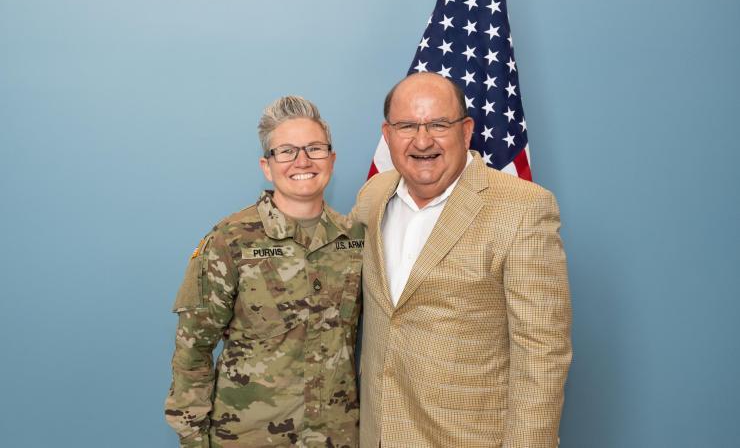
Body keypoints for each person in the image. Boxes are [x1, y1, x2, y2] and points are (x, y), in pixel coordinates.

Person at [352, 72, 572, 447]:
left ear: (466, 130)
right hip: (376, 436)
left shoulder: (522, 209)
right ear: (387, 136)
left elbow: (542, 353)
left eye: (439, 124)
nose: (423, 140)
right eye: (407, 126)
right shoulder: (372, 197)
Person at [165, 96, 364, 448]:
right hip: (249, 437)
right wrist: (193, 438)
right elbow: (193, 351)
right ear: (266, 166)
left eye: (314, 148)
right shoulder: (230, 241)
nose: (302, 160)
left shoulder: (356, 240)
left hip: (339, 436)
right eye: (286, 151)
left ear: (331, 160)